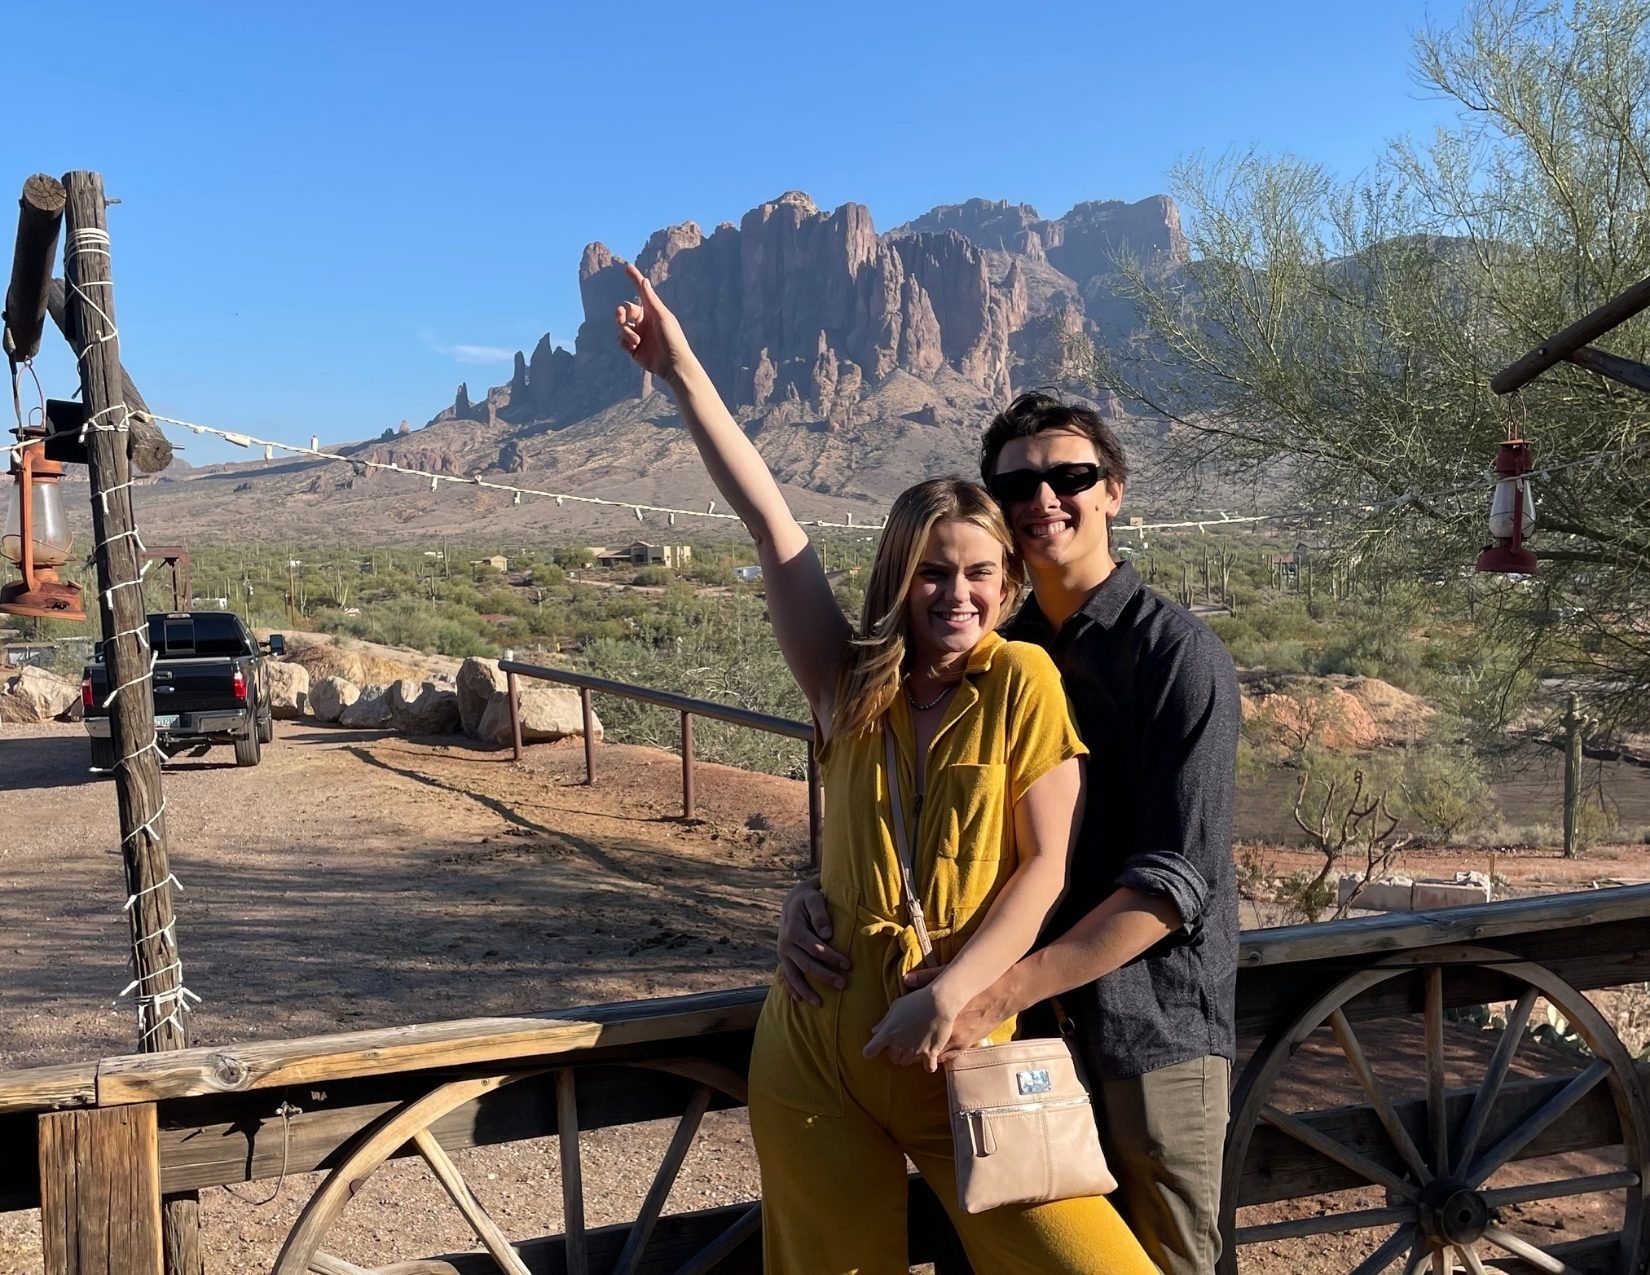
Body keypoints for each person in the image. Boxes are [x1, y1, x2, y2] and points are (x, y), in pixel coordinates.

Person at [616, 264, 1156, 1275]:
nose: (956, 593)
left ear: (1005, 583)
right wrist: (683, 371)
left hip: (962, 1051)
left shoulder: (1024, 681)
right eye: (932, 572)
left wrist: (955, 997)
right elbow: (775, 527)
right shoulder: (845, 681)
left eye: (979, 572)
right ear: (900, 581)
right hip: (815, 1050)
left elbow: (1043, 868)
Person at [781, 392, 1240, 1275]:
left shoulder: (1177, 657)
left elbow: (1172, 884)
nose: (1044, 498)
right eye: (1018, 482)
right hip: (1013, 1033)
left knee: (1164, 1259)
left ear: (1113, 490)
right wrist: (809, 894)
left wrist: (982, 995)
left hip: (1146, 1029)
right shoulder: (986, 646)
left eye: (1070, 476)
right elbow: (897, 810)